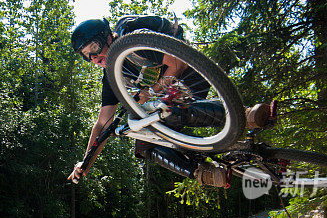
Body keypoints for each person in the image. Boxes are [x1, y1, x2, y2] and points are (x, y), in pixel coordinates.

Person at [68, 15, 274, 187]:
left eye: (94, 47)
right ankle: (205, 173)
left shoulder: (131, 40)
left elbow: (176, 63)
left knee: (166, 106)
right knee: (144, 142)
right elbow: (102, 124)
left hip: (190, 74)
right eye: (86, 55)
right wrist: (86, 162)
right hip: (168, 94)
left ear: (107, 37)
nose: (93, 58)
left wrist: (151, 91)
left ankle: (247, 115)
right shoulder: (111, 77)